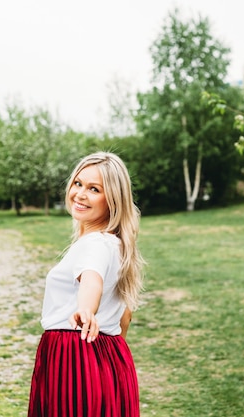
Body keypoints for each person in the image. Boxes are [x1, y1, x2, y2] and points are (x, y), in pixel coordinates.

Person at [28, 151, 145, 417]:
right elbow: (125, 315)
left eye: (94, 189)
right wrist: (108, 364)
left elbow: (92, 280)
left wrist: (86, 311)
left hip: (74, 359)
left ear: (112, 199)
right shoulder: (116, 244)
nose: (80, 194)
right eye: (78, 183)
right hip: (110, 359)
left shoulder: (94, 244)